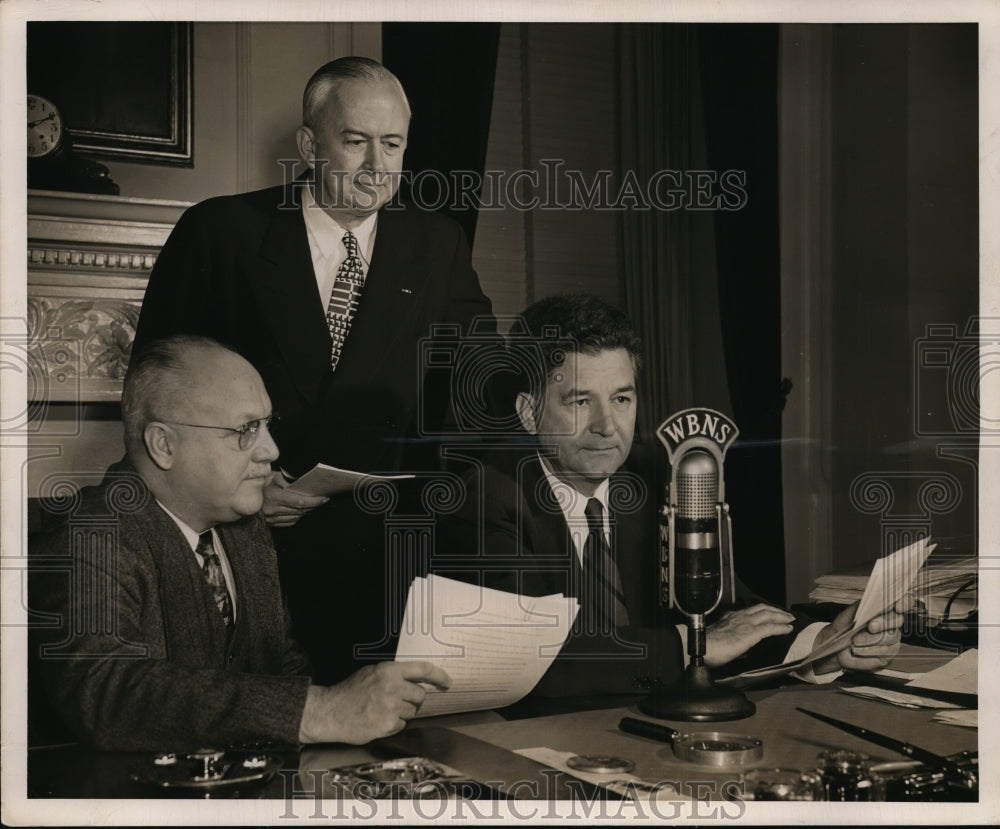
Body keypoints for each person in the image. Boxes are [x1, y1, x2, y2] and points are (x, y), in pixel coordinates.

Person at [130, 56, 500, 682]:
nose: (378, 167)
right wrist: (241, 490)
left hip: (385, 556)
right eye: (355, 143)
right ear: (309, 143)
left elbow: (476, 386)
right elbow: (156, 394)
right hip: (251, 543)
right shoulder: (220, 232)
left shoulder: (435, 244)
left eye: (393, 144)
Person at [435, 293, 907, 696]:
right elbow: (529, 661)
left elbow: (731, 612)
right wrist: (691, 645)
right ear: (528, 412)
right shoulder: (483, 500)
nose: (606, 427)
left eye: (622, 399)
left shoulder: (657, 477)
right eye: (580, 401)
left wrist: (826, 644)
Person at [29, 336, 450, 752]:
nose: (271, 450)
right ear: (164, 445)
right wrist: (319, 711)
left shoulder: (244, 532)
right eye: (246, 429)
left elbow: (283, 670)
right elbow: (106, 693)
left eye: (268, 425)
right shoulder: (89, 534)